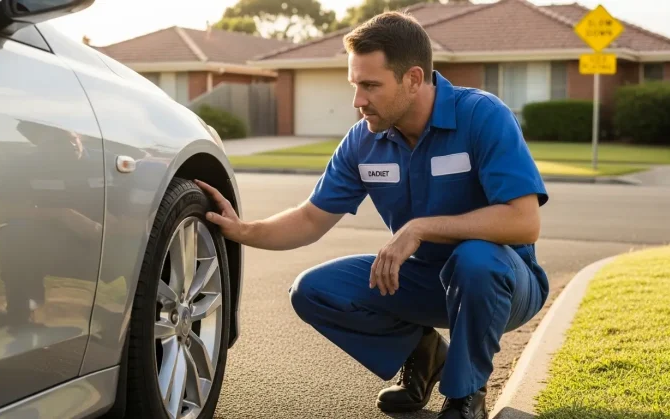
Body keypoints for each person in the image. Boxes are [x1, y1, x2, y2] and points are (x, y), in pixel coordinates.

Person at [196, 11, 549, 419]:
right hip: (426, 281)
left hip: (503, 281)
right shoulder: (363, 141)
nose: (358, 100)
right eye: (355, 84)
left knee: (475, 259)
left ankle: (465, 393)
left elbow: (524, 222)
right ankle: (424, 352)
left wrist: (420, 229)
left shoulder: (482, 116)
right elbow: (312, 218)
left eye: (370, 85)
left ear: (413, 79)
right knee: (313, 290)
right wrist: (243, 230)